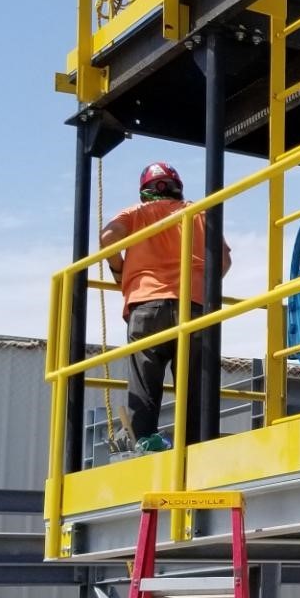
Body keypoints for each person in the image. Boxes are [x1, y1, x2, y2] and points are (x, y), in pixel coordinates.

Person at [100, 160, 232, 452]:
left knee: (145, 376)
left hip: (146, 304)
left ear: (145, 190)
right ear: (177, 188)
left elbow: (108, 237)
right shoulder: (199, 212)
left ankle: (144, 439)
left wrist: (121, 273)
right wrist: (201, 287)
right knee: (196, 378)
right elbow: (223, 261)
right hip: (194, 305)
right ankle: (196, 444)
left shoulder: (137, 212)